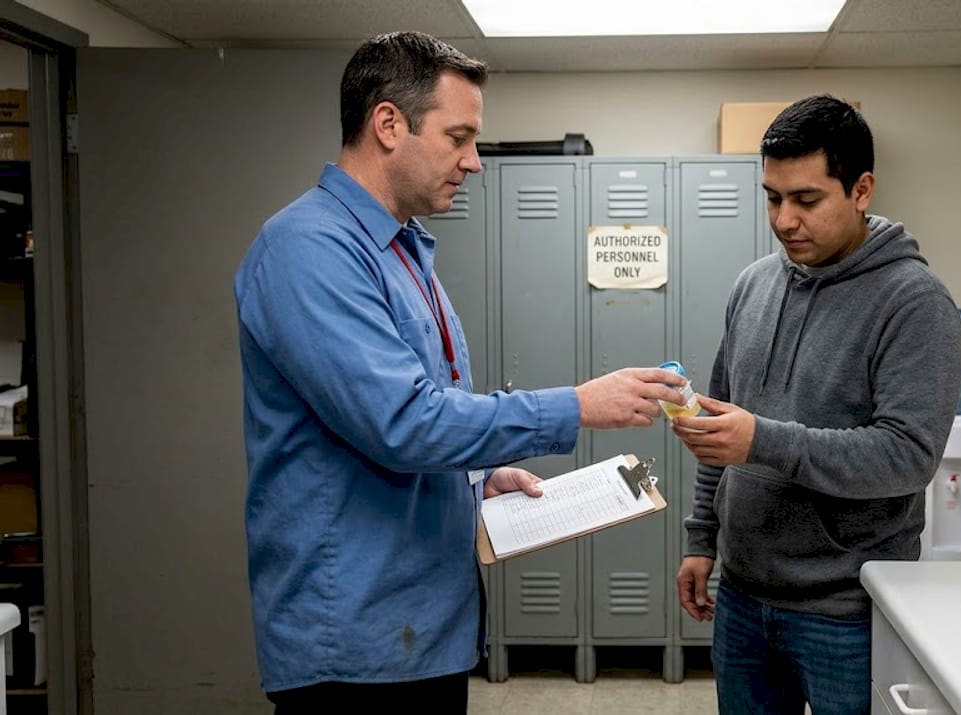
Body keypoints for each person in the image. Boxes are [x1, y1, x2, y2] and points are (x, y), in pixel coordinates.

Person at [233, 32, 688, 714]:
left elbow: (416, 412)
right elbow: (403, 421)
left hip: (419, 630)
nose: (475, 162)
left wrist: (475, 475)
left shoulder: (402, 249)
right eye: (459, 137)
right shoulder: (309, 249)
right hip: (355, 646)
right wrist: (577, 404)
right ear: (389, 124)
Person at [672, 95, 961, 715]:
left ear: (861, 190)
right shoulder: (753, 284)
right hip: (744, 597)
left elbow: (908, 456)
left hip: (846, 610)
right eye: (772, 197)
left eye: (806, 200)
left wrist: (763, 441)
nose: (783, 220)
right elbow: (718, 421)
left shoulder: (913, 301)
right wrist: (702, 538)